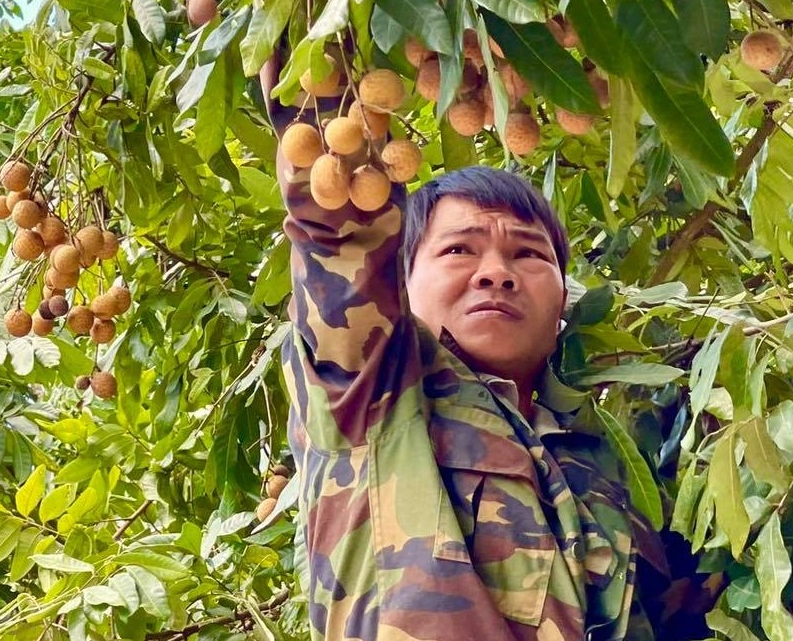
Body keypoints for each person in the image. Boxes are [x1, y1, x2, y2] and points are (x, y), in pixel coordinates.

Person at [264, 65, 668, 640]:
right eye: (459, 249)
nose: (497, 275)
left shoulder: (596, 457)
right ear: (400, 283)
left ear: (562, 300)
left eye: (529, 255)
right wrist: (339, 25)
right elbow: (342, 222)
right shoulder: (367, 387)